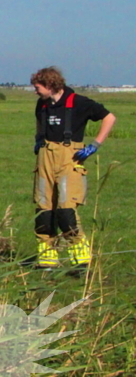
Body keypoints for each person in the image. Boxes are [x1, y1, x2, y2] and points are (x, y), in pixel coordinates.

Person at [30, 67, 115, 270]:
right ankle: (47, 259)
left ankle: (81, 259)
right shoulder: (42, 105)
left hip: (70, 158)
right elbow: (39, 123)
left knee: (66, 211)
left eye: (38, 87)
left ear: (50, 85)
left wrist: (95, 145)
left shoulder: (79, 102)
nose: (35, 91)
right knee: (44, 210)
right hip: (45, 157)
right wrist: (39, 138)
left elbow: (109, 118)